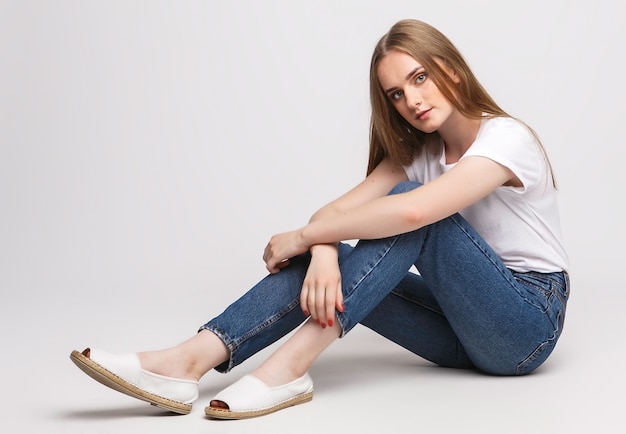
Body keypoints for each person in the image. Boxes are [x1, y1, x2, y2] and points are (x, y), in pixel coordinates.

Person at [70, 18, 569, 419]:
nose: (412, 100)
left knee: (411, 211)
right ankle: (187, 360)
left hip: (526, 324)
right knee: (329, 250)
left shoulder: (507, 138)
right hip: (461, 331)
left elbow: (416, 210)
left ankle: (287, 368)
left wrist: (307, 237)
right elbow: (333, 214)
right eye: (396, 93)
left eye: (420, 77)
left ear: (451, 70)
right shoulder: (419, 151)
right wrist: (323, 253)